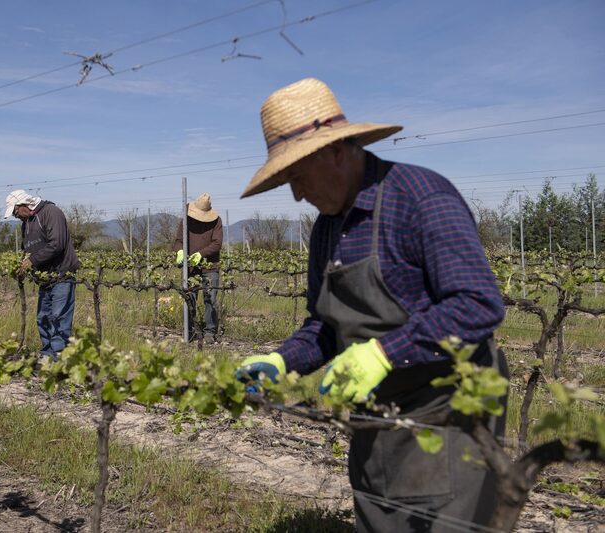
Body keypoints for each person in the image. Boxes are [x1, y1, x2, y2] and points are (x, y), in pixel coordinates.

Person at [237, 78, 507, 532]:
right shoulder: (327, 227)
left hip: (448, 415)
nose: (297, 195)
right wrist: (281, 361)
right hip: (375, 417)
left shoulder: (421, 197)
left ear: (337, 152)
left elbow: (477, 303)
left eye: (298, 177)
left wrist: (384, 352)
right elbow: (325, 325)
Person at [4, 189, 80, 358]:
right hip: (44, 278)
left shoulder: (51, 212)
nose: (17, 217)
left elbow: (57, 243)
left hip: (62, 274)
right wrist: (22, 264)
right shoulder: (27, 221)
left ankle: (59, 360)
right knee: (43, 318)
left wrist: (32, 261)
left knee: (59, 318)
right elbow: (28, 247)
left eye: (16, 212)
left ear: (23, 205)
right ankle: (47, 356)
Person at [172, 192, 223, 343]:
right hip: (190, 266)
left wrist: (200, 254)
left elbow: (217, 243)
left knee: (210, 298)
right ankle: (189, 330)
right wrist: (180, 251)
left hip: (210, 266)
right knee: (190, 297)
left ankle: (209, 332)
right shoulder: (186, 220)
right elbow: (178, 240)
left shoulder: (216, 221)